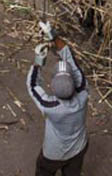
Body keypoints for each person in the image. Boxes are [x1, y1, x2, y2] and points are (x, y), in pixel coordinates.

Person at [27, 21, 89, 176]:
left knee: (44, 170)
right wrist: (53, 35)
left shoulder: (50, 106)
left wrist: (38, 61)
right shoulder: (83, 93)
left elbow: (32, 85)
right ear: (74, 84)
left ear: (53, 89)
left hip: (54, 153)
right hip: (79, 148)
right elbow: (72, 63)